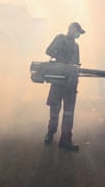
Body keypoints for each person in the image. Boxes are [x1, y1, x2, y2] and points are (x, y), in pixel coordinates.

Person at [43, 22, 85, 151]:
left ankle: (66, 140)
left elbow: (77, 65)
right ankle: (50, 133)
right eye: (78, 32)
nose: (78, 35)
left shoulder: (76, 46)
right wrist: (62, 59)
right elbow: (48, 50)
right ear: (72, 29)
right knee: (54, 110)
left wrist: (75, 77)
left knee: (68, 113)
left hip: (70, 83)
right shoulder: (60, 38)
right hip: (58, 80)